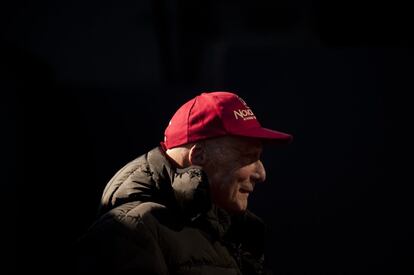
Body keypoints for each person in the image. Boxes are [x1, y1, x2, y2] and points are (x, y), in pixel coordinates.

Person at [76, 91, 293, 274]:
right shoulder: (131, 230)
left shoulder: (228, 230)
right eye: (248, 157)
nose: (261, 173)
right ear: (198, 157)